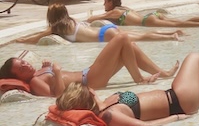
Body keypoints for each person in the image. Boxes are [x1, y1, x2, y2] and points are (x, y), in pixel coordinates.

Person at [53, 52, 199, 126]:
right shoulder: (110, 114)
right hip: (178, 102)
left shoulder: (107, 104)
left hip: (176, 97)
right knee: (195, 57)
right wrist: (175, 118)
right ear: (88, 94)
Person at [0, 32, 179, 97]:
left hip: (89, 73)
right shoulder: (35, 83)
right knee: (122, 37)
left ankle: (163, 73)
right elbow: (59, 96)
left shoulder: (37, 73)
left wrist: (46, 66)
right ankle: (140, 79)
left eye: (23, 62)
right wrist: (55, 70)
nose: (26, 65)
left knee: (128, 46)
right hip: (89, 81)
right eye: (21, 69)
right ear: (18, 77)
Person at [17, 3, 184, 44]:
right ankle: (170, 35)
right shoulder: (71, 22)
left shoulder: (56, 28)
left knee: (139, 38)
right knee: (139, 36)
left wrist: (18, 40)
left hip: (104, 36)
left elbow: (36, 38)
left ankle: (170, 37)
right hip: (105, 29)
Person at [89, 0, 199, 29]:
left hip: (147, 21)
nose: (103, 4)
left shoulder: (114, 12)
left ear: (111, 2)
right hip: (153, 15)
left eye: (105, 1)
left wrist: (86, 18)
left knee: (178, 24)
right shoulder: (124, 8)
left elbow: (92, 19)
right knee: (179, 21)